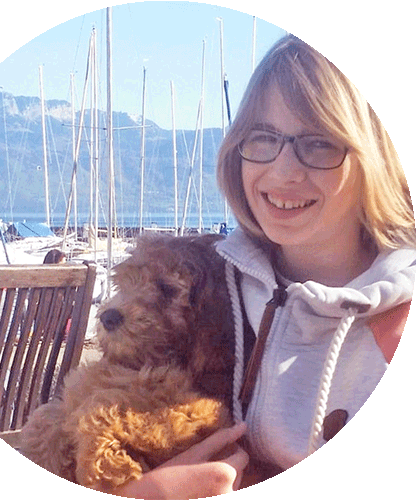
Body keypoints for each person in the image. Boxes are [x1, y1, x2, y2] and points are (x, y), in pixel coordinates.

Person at [110, 34, 415, 499]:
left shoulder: (398, 325)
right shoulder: (202, 294)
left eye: (319, 143)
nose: (283, 170)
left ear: (375, 157)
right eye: (264, 138)